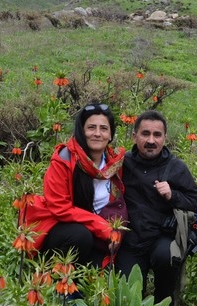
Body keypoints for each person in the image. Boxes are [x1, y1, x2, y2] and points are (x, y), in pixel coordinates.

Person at [116, 110, 197, 306]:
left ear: (165, 138)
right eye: (145, 134)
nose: (151, 140)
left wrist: (172, 195)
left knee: (167, 256)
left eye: (157, 135)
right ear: (134, 136)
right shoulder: (123, 163)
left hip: (161, 238)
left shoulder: (176, 168)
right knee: (127, 304)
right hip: (130, 240)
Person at [23, 103, 127, 267]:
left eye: (104, 129)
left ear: (111, 135)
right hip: (63, 228)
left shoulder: (114, 164)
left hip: (97, 229)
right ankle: (62, 282)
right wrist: (101, 227)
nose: (97, 134)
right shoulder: (64, 160)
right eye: (91, 127)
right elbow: (59, 207)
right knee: (80, 236)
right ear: (81, 131)